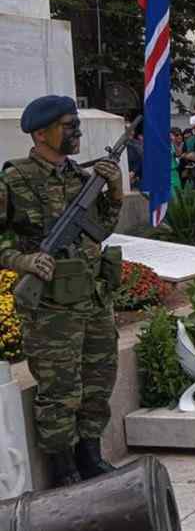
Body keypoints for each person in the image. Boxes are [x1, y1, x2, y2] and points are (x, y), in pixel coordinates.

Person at [1, 95, 124, 486]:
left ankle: (91, 456)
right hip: (51, 308)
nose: (77, 132)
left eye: (76, 124)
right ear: (41, 133)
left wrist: (116, 191)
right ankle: (64, 469)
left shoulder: (82, 178)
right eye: (68, 126)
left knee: (98, 380)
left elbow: (102, 229)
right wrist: (23, 262)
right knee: (59, 391)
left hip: (92, 299)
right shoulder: (15, 180)